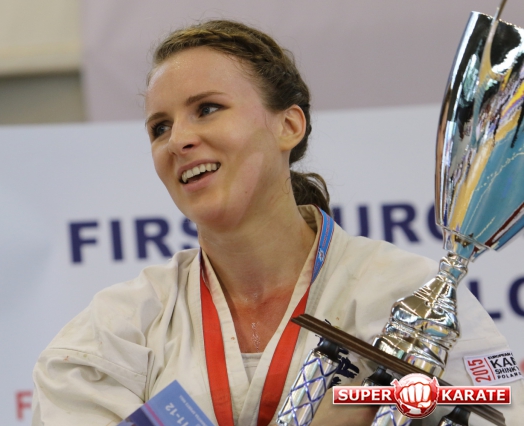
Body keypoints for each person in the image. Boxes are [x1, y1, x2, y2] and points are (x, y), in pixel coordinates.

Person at [32, 20, 523, 426]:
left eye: (207, 109)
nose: (178, 140)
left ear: (289, 125)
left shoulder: (408, 295)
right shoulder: (118, 330)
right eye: (160, 127)